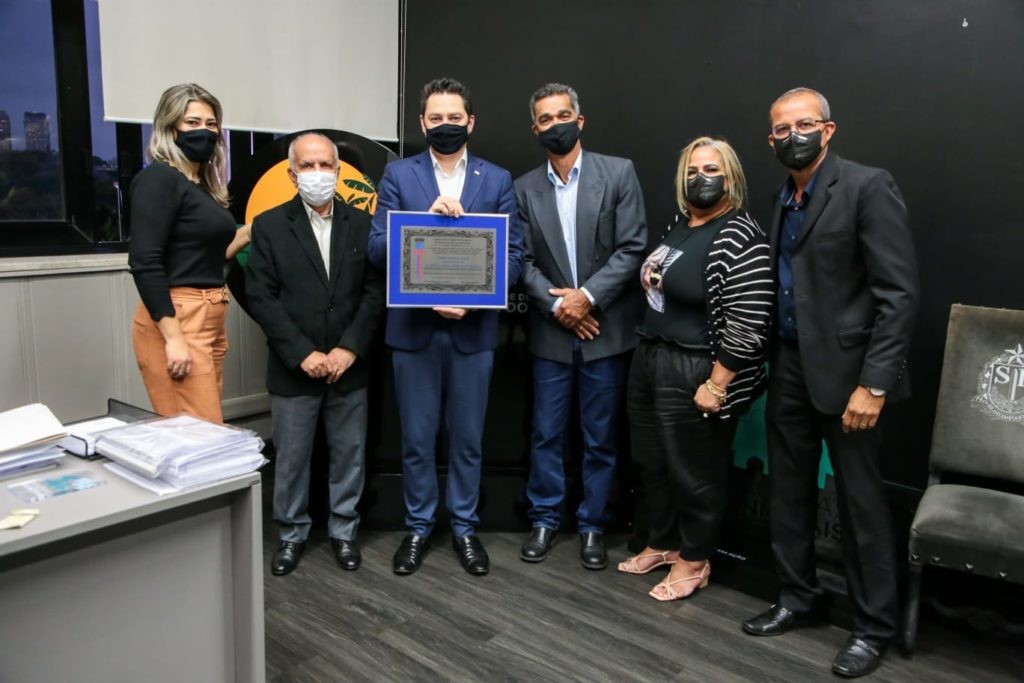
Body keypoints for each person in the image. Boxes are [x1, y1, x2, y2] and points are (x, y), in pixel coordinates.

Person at [741, 88, 919, 679]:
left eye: (804, 124)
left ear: (828, 129)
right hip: (789, 367)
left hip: (851, 378)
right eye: (781, 129)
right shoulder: (781, 198)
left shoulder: (867, 187)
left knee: (860, 505)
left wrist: (875, 385)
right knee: (789, 493)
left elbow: (899, 296)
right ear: (770, 139)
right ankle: (798, 597)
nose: (792, 135)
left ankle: (873, 627)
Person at [366, 78, 525, 576]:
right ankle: (417, 527)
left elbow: (513, 257)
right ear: (422, 123)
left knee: (467, 439)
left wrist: (471, 303)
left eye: (454, 117)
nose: (445, 125)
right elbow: (376, 249)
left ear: (470, 122)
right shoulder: (398, 175)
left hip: (472, 332)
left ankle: (464, 528)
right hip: (414, 330)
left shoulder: (496, 179)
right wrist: (420, 219)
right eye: (436, 118)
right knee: (416, 438)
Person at [620, 137, 771, 598]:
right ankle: (664, 542)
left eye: (710, 170)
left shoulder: (740, 234)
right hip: (651, 356)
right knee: (652, 463)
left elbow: (750, 320)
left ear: (730, 178)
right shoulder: (681, 223)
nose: (699, 179)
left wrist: (718, 383)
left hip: (697, 366)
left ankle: (694, 560)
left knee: (695, 471)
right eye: (691, 171)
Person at [514, 83, 647, 570]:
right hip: (551, 333)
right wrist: (560, 307)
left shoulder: (618, 173)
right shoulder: (523, 188)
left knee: (601, 437)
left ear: (580, 120)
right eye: (545, 119)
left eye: (562, 115)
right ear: (535, 129)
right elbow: (520, 260)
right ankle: (544, 519)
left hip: (604, 330)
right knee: (545, 435)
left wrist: (585, 298)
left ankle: (593, 525)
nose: (556, 124)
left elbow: (632, 247)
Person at [246, 132, 384, 576]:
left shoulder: (364, 224)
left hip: (349, 366)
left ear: (339, 171)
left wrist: (350, 348)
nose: (317, 173)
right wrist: (302, 353)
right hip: (295, 368)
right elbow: (261, 297)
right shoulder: (268, 225)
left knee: (349, 454)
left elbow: (374, 292)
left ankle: (344, 531)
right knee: (290, 459)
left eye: (325, 165)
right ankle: (291, 534)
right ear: (292, 174)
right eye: (307, 166)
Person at [128, 83, 250, 423]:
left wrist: (256, 228)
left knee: (202, 430)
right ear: (171, 128)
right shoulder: (159, 179)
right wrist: (173, 339)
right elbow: (145, 261)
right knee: (198, 435)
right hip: (178, 316)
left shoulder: (201, 184)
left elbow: (211, 253)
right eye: (192, 122)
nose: (204, 131)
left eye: (211, 124)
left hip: (210, 314)